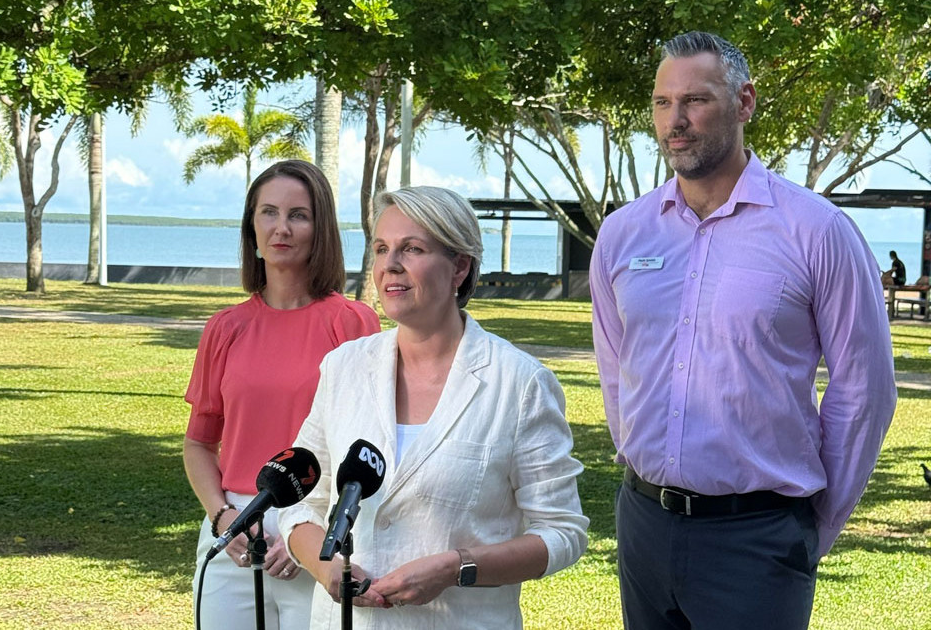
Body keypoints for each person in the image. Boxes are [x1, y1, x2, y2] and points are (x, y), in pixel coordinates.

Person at [589, 31, 896, 630]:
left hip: (758, 539)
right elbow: (615, 363)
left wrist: (811, 525)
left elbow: (864, 392)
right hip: (643, 523)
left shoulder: (818, 231)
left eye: (696, 100)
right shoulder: (624, 234)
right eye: (661, 103)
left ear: (745, 102)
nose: (675, 121)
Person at [279, 186, 588, 629]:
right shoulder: (343, 367)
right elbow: (301, 501)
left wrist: (455, 568)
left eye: (413, 248)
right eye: (382, 248)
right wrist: (326, 568)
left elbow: (562, 533)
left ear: (460, 267)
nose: (390, 265)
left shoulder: (519, 384)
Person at [183, 160, 381, 629]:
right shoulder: (225, 328)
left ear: (320, 229)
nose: (282, 228)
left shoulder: (351, 324)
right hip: (233, 528)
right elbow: (198, 444)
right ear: (251, 226)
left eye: (299, 215)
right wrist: (222, 517)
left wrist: (306, 536)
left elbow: (365, 446)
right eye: (268, 212)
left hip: (318, 530)